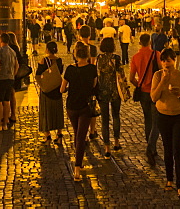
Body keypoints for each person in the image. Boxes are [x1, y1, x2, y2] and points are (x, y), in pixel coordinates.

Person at [150, 47, 180, 198]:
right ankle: (169, 179)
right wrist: (163, 81)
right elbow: (154, 98)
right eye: (163, 60)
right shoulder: (157, 76)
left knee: (177, 150)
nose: (165, 63)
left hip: (179, 117)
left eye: (168, 60)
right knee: (167, 149)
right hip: (163, 116)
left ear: (174, 61)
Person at [62, 43, 98, 182]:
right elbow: (94, 85)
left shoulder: (70, 69)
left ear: (75, 55)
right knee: (81, 136)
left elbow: (62, 89)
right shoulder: (92, 69)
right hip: (85, 106)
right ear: (88, 55)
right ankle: (78, 166)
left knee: (77, 133)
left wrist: (69, 87)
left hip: (72, 105)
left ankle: (79, 162)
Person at [129, 33, 161, 165]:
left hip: (143, 93)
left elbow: (131, 78)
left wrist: (139, 84)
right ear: (149, 42)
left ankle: (150, 147)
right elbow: (160, 71)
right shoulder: (156, 54)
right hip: (154, 92)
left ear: (140, 43)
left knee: (147, 119)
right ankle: (151, 148)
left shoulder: (135, 57)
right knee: (156, 121)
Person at [95, 37, 126, 157]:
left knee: (104, 120)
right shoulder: (116, 58)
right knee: (116, 116)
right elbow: (121, 75)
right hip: (115, 91)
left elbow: (97, 74)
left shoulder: (99, 59)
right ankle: (117, 142)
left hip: (103, 91)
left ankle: (107, 146)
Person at [36, 41, 65, 143]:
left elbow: (38, 74)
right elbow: (60, 72)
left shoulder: (43, 60)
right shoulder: (59, 61)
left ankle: (47, 136)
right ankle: (59, 134)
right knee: (58, 112)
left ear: (47, 49)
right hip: (57, 89)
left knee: (46, 112)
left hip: (46, 90)